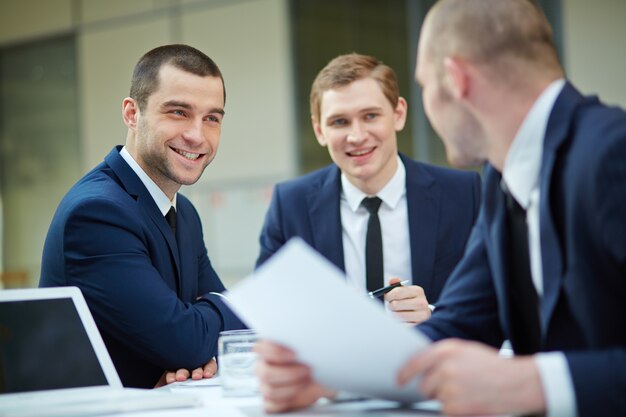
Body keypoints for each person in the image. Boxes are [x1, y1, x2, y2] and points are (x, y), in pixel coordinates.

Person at [254, 1, 626, 416]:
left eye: (425, 86)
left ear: (455, 79)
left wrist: (534, 383)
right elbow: (458, 325)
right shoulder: (504, 183)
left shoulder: (613, 152)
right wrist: (329, 378)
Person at [40, 44, 246, 388]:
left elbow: (219, 338)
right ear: (132, 113)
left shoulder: (186, 214)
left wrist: (197, 346)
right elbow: (191, 339)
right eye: (179, 112)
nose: (197, 135)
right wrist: (202, 332)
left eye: (211, 118)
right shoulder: (97, 213)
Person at [256, 53, 480, 323]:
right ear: (319, 131)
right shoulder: (290, 204)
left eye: (370, 116)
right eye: (339, 121)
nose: (357, 136)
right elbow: (267, 310)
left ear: (398, 114)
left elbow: (493, 301)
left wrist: (434, 315)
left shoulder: (463, 194)